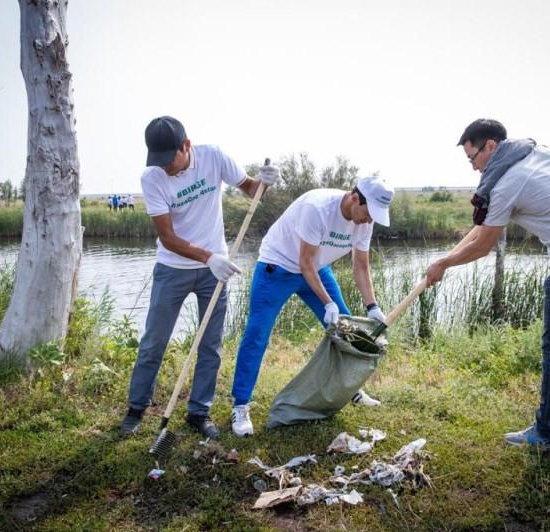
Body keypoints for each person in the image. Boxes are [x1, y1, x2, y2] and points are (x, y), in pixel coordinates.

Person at [424, 118, 550, 451]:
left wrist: (444, 263)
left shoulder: (505, 184)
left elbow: (483, 244)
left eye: (473, 158)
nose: (473, 168)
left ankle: (548, 433)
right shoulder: (538, 151)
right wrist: (444, 260)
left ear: (490, 145)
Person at [121, 115, 279, 438]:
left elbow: (250, 189)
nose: (166, 168)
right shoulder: (152, 178)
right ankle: (136, 408)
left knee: (211, 344)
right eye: (159, 161)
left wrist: (265, 181)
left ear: (187, 146)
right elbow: (168, 238)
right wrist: (209, 258)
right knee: (154, 341)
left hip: (213, 273)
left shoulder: (213, 157)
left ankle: (199, 413)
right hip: (173, 269)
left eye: (170, 160)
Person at [229, 176, 395, 436]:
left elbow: (360, 265)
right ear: (354, 198)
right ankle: (240, 405)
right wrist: (327, 303)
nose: (369, 220)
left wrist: (372, 305)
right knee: (257, 335)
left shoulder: (364, 222)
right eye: (369, 213)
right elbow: (303, 261)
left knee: (346, 329)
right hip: (278, 266)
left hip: (316, 269)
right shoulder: (317, 208)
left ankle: (349, 389)